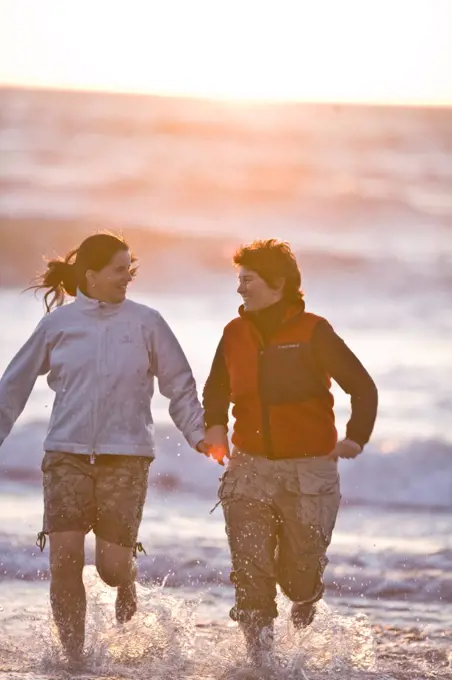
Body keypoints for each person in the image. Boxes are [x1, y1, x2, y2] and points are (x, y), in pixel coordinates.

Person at [0, 232, 207, 664]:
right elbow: (13, 386)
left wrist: (199, 434)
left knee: (111, 570)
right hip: (65, 454)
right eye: (118, 270)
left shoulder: (147, 322)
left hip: (126, 457)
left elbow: (180, 386)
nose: (126, 277)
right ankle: (73, 657)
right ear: (90, 275)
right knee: (65, 561)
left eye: (129, 269)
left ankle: (127, 580)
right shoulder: (58, 325)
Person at [203, 239, 378, 663]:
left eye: (248, 280)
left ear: (278, 283)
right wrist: (214, 430)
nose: (240, 288)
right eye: (239, 279)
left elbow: (363, 387)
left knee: (297, 580)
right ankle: (261, 664)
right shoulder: (234, 332)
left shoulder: (314, 331)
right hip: (248, 468)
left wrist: (355, 437)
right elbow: (216, 388)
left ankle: (306, 593)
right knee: (251, 573)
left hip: (310, 473)